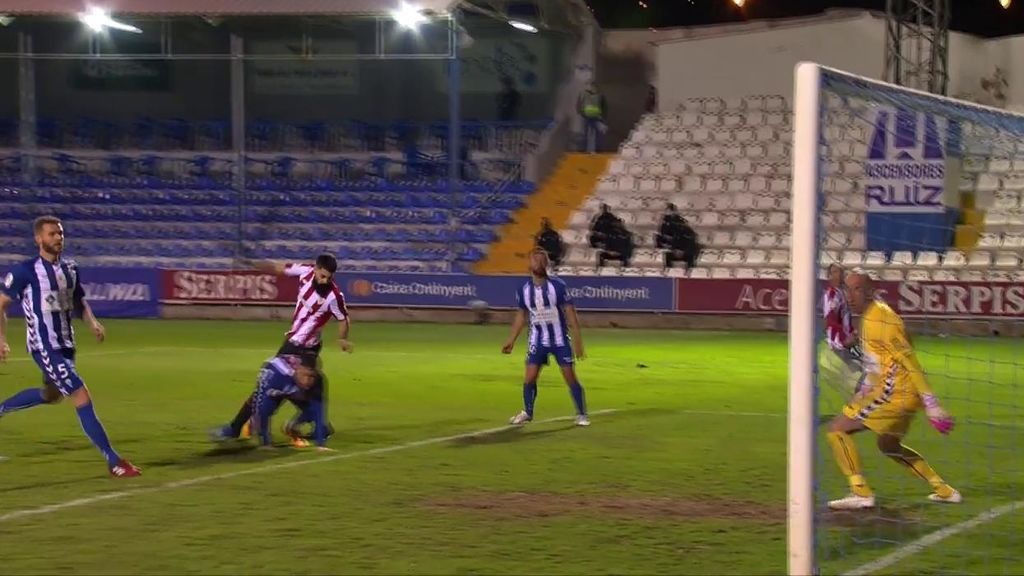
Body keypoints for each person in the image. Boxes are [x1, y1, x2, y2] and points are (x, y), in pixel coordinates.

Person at [0, 216, 140, 477]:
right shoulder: (24, 272)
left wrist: (93, 323)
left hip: (66, 344)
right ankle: (114, 461)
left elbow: (78, 301)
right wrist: (2, 339)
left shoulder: (71, 269)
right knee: (80, 395)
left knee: (52, 395)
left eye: (60, 234)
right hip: (45, 347)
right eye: (52, 234)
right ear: (38, 238)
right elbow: (1, 306)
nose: (58, 238)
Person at [825, 270, 960, 510]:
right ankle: (944, 490)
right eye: (848, 289)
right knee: (888, 446)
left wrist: (932, 404)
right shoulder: (870, 317)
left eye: (857, 289)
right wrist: (866, 387)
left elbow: (910, 362)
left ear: (870, 291)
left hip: (896, 393)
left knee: (837, 430)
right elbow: (880, 361)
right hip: (897, 392)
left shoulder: (883, 320)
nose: (851, 295)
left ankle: (860, 492)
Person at [213, 254, 351, 445]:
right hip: (291, 343)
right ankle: (236, 428)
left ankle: (237, 428)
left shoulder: (334, 296)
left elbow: (343, 318)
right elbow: (278, 267)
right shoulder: (304, 272)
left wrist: (342, 338)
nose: (325, 280)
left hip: (308, 349)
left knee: (298, 386)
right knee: (275, 387)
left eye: (328, 277)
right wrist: (253, 263)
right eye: (322, 276)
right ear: (316, 268)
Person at [502, 249, 589, 427]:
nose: (539, 264)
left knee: (569, 376)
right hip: (537, 340)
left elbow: (571, 316)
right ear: (530, 265)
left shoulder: (558, 286)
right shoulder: (524, 290)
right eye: (536, 261)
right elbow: (521, 316)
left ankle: (581, 414)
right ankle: (527, 412)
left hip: (559, 340)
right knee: (530, 377)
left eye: (542, 261)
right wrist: (511, 340)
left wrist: (578, 343)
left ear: (546, 264)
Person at [249, 353, 329, 449]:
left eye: (312, 376)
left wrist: (321, 445)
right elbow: (260, 402)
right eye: (305, 375)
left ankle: (292, 425)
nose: (308, 380)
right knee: (264, 409)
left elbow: (319, 412)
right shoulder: (275, 375)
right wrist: (265, 442)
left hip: (294, 389)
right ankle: (263, 437)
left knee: (312, 409)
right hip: (278, 387)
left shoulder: (318, 381)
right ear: (298, 369)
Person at [821, 264, 864, 396]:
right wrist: (845, 337)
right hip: (839, 343)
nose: (838, 275)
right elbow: (830, 320)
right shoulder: (832, 294)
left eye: (840, 272)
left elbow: (845, 318)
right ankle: (857, 401)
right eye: (834, 272)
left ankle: (858, 399)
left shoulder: (842, 293)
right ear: (829, 276)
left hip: (847, 340)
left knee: (866, 366)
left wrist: (853, 332)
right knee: (861, 369)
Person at [655, 203, 700, 269]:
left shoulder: (681, 223)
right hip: (673, 246)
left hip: (682, 245)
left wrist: (681, 248)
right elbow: (660, 237)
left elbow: (690, 237)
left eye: (670, 211)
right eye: (667, 211)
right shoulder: (665, 224)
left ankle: (689, 267)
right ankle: (668, 268)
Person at [577, 82, 607, 153]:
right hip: (596, 117)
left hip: (589, 116)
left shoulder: (584, 94)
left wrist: (581, 112)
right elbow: (604, 106)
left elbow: (579, 103)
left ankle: (584, 149)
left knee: (587, 133)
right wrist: (603, 116)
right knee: (596, 134)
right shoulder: (600, 94)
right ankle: (597, 149)